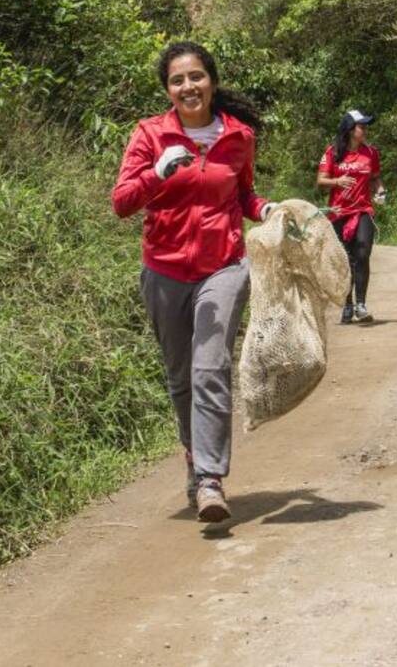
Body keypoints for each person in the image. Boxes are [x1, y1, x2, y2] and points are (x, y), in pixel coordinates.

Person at [112, 41, 276, 523]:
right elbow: (122, 202)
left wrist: (265, 209)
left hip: (222, 267)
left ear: (213, 81)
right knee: (181, 378)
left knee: (210, 368)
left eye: (196, 76)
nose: (188, 86)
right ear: (168, 90)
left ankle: (210, 479)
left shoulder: (239, 137)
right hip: (163, 269)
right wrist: (157, 173)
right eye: (177, 80)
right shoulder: (149, 134)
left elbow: (242, 195)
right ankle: (193, 457)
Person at [317, 110, 385, 324]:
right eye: (361, 126)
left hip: (363, 210)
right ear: (349, 129)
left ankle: (361, 305)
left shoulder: (371, 153)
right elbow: (321, 180)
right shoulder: (333, 152)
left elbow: (375, 178)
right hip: (338, 212)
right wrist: (337, 182)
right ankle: (347, 304)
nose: (365, 130)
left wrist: (380, 190)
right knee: (344, 260)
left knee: (362, 252)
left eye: (365, 127)